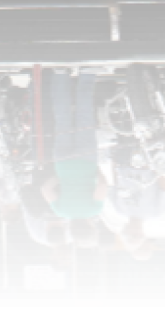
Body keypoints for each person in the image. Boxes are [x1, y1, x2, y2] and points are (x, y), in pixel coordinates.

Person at [40, 70, 107, 225]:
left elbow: (102, 185)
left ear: (90, 227)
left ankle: (87, 73)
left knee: (84, 115)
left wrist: (98, 171)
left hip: (86, 163)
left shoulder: (94, 210)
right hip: (63, 165)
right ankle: (60, 74)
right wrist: (62, 177)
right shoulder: (61, 211)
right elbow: (45, 188)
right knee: (62, 118)